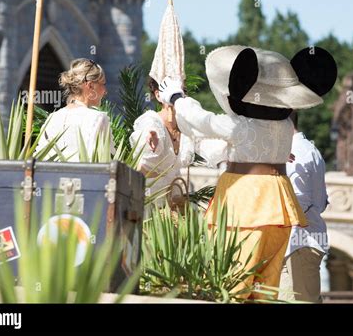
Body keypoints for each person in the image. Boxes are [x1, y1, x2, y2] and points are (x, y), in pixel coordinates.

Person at [158, 45, 327, 299]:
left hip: (246, 201)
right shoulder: (283, 126)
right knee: (266, 285)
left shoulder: (241, 125)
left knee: (234, 278)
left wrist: (176, 98)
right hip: (278, 202)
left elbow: (201, 120)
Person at [129, 77, 227, 206]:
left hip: (174, 204)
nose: (179, 96)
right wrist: (150, 136)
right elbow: (149, 129)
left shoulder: (186, 126)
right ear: (158, 95)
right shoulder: (151, 121)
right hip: (145, 202)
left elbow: (209, 143)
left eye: (183, 91)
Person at [278, 111, 329, 303]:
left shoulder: (295, 152)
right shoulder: (309, 149)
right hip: (302, 243)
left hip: (299, 243)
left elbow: (300, 203)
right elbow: (321, 202)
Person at [36, 58, 114, 161]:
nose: (105, 91)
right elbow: (110, 161)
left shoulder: (52, 118)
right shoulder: (98, 119)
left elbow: (41, 158)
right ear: (90, 85)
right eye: (103, 84)